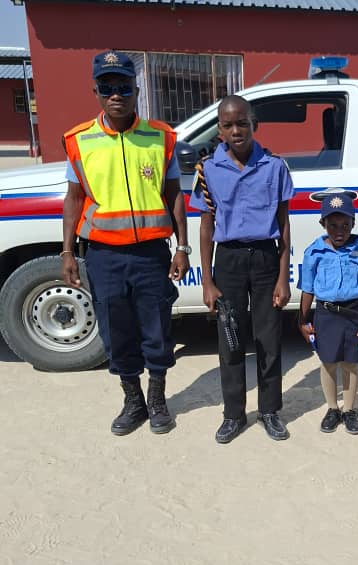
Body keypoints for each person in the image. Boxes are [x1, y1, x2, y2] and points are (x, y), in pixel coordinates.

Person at [61, 50, 190, 435]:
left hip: (151, 254)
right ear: (96, 92)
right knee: (116, 331)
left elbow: (174, 195)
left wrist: (182, 247)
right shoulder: (79, 141)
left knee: (157, 328)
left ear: (136, 89)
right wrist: (67, 251)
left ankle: (157, 399)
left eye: (123, 86)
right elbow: (73, 199)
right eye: (107, 87)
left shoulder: (160, 137)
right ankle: (133, 401)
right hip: (104, 256)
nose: (116, 94)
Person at [189, 95, 293, 444]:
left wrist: (283, 277)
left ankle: (270, 411)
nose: (236, 130)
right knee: (230, 340)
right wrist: (208, 281)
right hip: (229, 261)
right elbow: (206, 227)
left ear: (254, 125)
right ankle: (233, 414)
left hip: (265, 259)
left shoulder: (275, 166)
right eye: (228, 125)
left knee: (269, 339)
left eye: (242, 123)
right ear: (219, 129)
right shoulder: (208, 169)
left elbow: (284, 224)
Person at [298, 192, 358, 435]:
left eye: (345, 225)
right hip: (326, 313)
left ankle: (349, 410)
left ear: (353, 223)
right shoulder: (315, 252)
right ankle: (333, 408)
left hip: (354, 312)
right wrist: (302, 320)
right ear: (323, 224)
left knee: (350, 363)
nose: (339, 231)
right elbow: (307, 289)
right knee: (329, 362)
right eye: (333, 225)